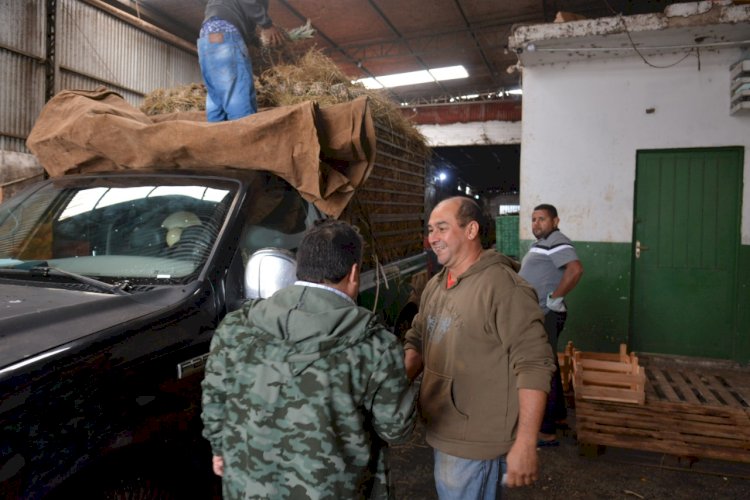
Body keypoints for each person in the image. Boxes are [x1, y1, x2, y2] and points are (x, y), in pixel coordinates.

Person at [201, 219, 418, 499]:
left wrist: (219, 446)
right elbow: (395, 429)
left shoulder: (236, 327)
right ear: (354, 273)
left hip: (249, 487)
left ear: (299, 267)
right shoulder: (375, 346)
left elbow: (215, 396)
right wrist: (409, 373)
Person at [403, 196, 555, 499]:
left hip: (475, 440)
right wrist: (393, 389)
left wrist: (526, 441)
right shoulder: (437, 284)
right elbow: (418, 338)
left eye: (442, 228)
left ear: (471, 230)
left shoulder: (502, 287)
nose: (433, 238)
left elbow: (534, 364)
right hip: (444, 429)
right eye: (431, 229)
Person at [519, 204, 584, 446]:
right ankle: (557, 417)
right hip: (539, 313)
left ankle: (545, 431)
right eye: (534, 219)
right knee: (550, 365)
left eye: (542, 219)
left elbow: (575, 270)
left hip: (546, 314)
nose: (536, 224)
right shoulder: (543, 243)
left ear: (555, 221)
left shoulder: (557, 239)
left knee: (540, 368)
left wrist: (555, 298)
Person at [198, 0, 287, 122]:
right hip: (227, 32)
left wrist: (250, 42)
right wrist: (267, 25)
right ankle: (246, 138)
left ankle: (219, 139)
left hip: (207, 36)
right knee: (238, 96)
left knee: (217, 98)